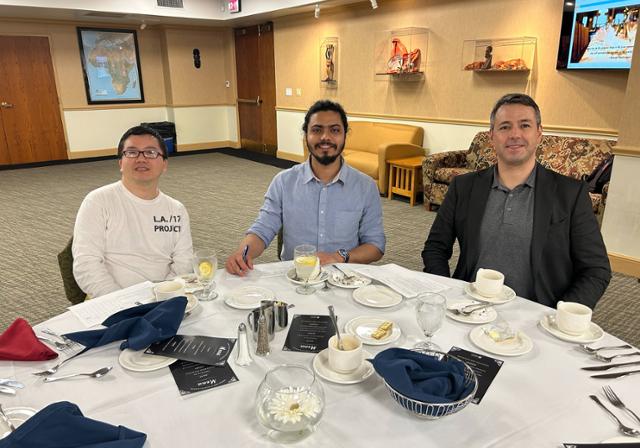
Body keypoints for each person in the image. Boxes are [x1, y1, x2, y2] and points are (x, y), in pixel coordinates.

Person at [422, 93, 611, 309]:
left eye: (524, 125)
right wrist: (446, 294)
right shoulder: (464, 187)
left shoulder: (570, 194)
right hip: (469, 308)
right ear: (492, 135)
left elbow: (596, 269)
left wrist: (562, 314)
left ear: (539, 133)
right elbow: (435, 248)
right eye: (504, 127)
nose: (515, 134)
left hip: (538, 316)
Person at [225, 100, 385, 275]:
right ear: (306, 135)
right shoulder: (284, 182)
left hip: (345, 277)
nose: (325, 137)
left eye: (335, 130)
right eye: (317, 130)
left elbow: (375, 245)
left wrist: (338, 257)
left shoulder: (365, 187)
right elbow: (263, 229)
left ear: (345, 135)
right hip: (296, 278)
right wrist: (242, 253)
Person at [73, 126, 193, 298]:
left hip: (163, 298)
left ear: (164, 164)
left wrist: (163, 295)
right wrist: (123, 303)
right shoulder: (98, 201)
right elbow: (86, 264)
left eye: (151, 152)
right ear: (121, 163)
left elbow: (184, 262)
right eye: (132, 152)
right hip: (111, 300)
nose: (141, 159)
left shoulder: (176, 209)